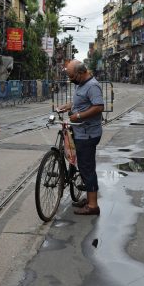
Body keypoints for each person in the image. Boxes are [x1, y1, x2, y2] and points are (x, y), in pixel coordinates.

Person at [58, 60, 104, 216]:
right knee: (83, 166)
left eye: (71, 76)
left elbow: (98, 107)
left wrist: (78, 115)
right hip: (80, 132)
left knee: (87, 168)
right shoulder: (80, 84)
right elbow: (82, 102)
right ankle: (88, 197)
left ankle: (93, 206)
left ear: (80, 73)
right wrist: (69, 106)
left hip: (88, 133)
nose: (70, 79)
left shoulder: (93, 86)